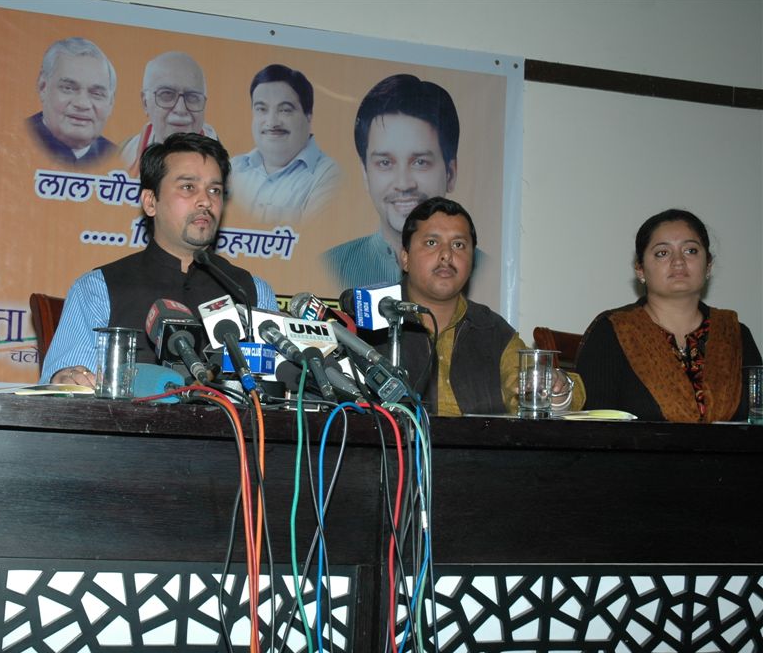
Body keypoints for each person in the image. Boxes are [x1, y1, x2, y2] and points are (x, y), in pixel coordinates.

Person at [41, 133, 278, 386]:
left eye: (215, 190)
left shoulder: (251, 292)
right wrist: (66, 379)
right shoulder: (99, 289)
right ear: (150, 202)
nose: (206, 201)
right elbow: (64, 386)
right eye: (188, 187)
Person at [389, 197, 581, 415]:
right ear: (405, 258)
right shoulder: (369, 322)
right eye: (432, 243)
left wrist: (556, 389)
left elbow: (523, 384)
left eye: (458, 245)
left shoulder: (493, 330)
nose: (446, 255)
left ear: (472, 261)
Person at [575, 209, 761, 422]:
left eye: (690, 251)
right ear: (640, 270)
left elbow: (757, 420)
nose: (678, 261)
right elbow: (594, 428)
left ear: (708, 265)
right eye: (662, 253)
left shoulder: (735, 333)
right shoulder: (612, 331)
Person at [324, 74, 459, 289]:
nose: (404, 184)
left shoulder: (480, 271)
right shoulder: (333, 266)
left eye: (420, 162)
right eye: (385, 163)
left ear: (450, 173)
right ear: (366, 174)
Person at [229, 64, 340, 225]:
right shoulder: (233, 168)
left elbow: (313, 240)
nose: (272, 122)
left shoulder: (328, 176)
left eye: (285, 110)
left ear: (309, 115)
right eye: (261, 109)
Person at [118, 52, 217, 177]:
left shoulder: (230, 169)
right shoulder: (123, 154)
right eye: (167, 95)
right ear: (145, 103)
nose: (180, 109)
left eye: (192, 97)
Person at [27, 37, 117, 167]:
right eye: (68, 88)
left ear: (111, 103)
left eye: (96, 94)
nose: (82, 104)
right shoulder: (16, 138)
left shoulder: (120, 158)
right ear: (43, 87)